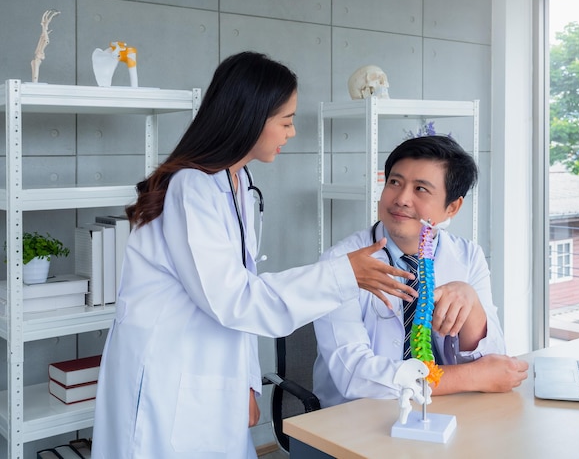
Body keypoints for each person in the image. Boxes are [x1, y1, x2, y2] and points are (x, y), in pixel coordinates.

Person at [90, 51, 418, 459]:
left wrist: (246, 381)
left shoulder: (238, 181)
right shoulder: (191, 189)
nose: (292, 132)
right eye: (286, 120)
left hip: (210, 375)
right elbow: (235, 298)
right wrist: (341, 275)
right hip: (166, 377)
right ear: (249, 117)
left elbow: (239, 294)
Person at [312, 135, 529, 408]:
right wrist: (470, 377)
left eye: (420, 189)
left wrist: (470, 303)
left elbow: (494, 362)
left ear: (452, 207)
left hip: (444, 410)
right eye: (394, 182)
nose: (401, 199)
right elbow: (354, 376)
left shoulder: (468, 257)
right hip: (357, 416)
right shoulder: (341, 261)